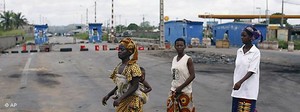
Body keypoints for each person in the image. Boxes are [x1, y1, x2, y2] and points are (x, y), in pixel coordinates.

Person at [102, 37, 144, 112]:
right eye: (119, 49)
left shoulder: (133, 67)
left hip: (132, 102)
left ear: (130, 52)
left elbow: (135, 86)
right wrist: (108, 95)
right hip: (123, 99)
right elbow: (119, 85)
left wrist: (120, 99)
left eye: (122, 50)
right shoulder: (119, 66)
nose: (119, 51)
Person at [231, 26, 261, 112]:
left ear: (251, 38)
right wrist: (236, 83)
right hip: (237, 90)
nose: (242, 37)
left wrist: (240, 82)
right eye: (241, 35)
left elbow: (252, 70)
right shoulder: (239, 51)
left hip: (248, 91)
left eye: (244, 36)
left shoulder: (255, 52)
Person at [167, 38, 195, 112]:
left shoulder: (188, 59)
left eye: (181, 45)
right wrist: (176, 87)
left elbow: (192, 76)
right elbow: (174, 73)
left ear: (184, 46)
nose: (179, 47)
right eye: (177, 45)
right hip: (174, 90)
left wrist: (180, 87)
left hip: (185, 91)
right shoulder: (174, 59)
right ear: (175, 46)